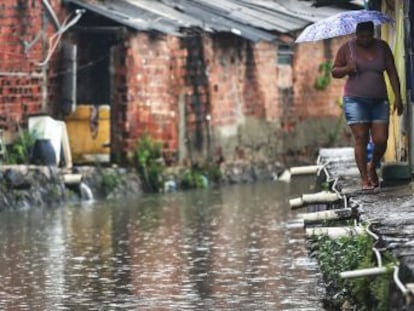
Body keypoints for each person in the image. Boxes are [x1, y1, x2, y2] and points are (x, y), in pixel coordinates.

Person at [331, 21, 403, 190]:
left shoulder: (382, 47)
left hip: (379, 100)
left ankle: (373, 166)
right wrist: (347, 68)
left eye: (368, 35)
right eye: (361, 36)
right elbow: (334, 71)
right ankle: (364, 179)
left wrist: (398, 97)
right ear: (356, 34)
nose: (365, 39)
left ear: (373, 33)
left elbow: (392, 72)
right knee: (361, 138)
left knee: (381, 139)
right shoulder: (347, 48)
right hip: (355, 100)